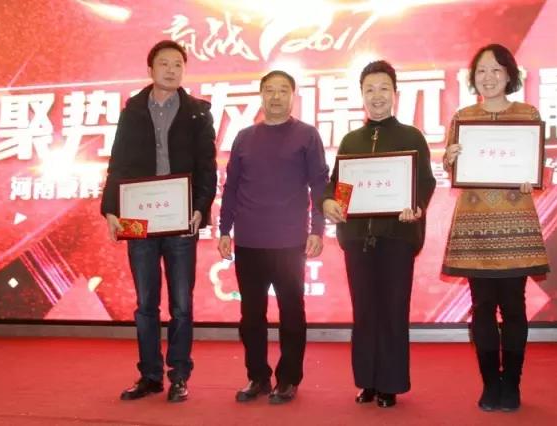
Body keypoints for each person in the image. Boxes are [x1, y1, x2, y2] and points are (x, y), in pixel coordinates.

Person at [100, 40, 217, 403]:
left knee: (181, 303)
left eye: (178, 64)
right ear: (150, 69)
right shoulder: (133, 111)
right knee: (145, 303)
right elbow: (118, 164)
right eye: (164, 63)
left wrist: (200, 208)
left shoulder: (198, 113)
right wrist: (111, 209)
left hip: (180, 219)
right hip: (140, 220)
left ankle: (179, 375)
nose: (171, 70)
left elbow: (207, 168)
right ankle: (149, 375)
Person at [441, 44, 550, 412]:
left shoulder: (527, 114)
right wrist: (450, 158)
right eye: (481, 71)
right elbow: (452, 168)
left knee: (514, 307)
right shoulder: (464, 117)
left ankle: (511, 384)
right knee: (483, 306)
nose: (488, 77)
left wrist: (531, 178)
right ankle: (491, 384)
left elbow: (539, 168)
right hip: (474, 227)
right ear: (473, 78)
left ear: (509, 74)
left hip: (515, 227)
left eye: (496, 70)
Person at [322, 60, 436, 408]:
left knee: (393, 310)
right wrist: (330, 202)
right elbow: (339, 184)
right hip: (358, 239)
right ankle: (367, 381)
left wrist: (416, 205)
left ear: (395, 93)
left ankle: (390, 383)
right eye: (369, 89)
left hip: (396, 237)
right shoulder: (351, 140)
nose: (377, 96)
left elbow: (425, 181)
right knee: (365, 310)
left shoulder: (411, 136)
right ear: (362, 95)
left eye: (384, 88)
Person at [217, 70, 329, 405]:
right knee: (251, 316)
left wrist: (317, 229)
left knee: (292, 313)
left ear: (293, 96)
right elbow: (231, 187)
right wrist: (224, 230)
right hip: (249, 240)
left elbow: (320, 185)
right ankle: (258, 376)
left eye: (283, 90)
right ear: (261, 95)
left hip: (290, 241)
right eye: (269, 90)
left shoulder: (307, 135)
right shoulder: (244, 137)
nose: (276, 96)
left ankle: (288, 379)